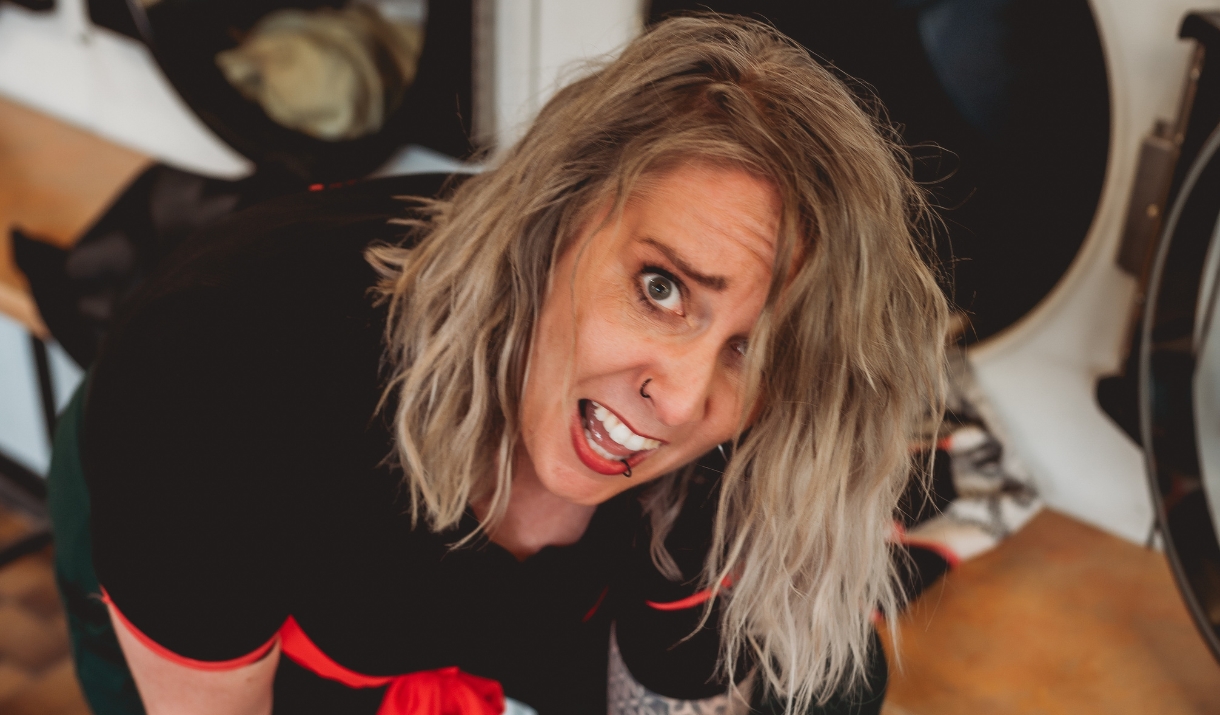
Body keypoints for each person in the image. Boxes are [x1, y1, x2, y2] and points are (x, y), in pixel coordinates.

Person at [47, 14, 948, 715]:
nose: (680, 399)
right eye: (662, 287)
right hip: (197, 528)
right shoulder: (220, 398)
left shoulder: (739, 440)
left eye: (756, 348)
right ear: (551, 222)